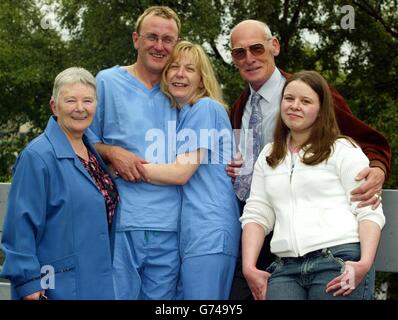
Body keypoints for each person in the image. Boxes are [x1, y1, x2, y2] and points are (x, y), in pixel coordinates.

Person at [227, 20, 392, 300]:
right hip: (266, 237)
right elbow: (255, 197)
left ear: (274, 46)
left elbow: (369, 143)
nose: (249, 58)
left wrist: (376, 169)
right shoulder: (240, 107)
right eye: (239, 52)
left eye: (256, 48)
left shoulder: (311, 92)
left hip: (329, 248)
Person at [88, 6, 182, 299]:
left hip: (172, 226)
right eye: (151, 37)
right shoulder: (107, 81)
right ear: (135, 40)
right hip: (121, 222)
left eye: (168, 39)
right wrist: (112, 151)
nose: (159, 45)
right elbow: (81, 143)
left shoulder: (182, 90)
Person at [0, 67, 118, 300]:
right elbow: (19, 226)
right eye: (70, 100)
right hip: (57, 287)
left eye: (87, 100)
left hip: (96, 281)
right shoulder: (38, 156)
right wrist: (28, 282)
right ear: (54, 106)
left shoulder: (91, 154)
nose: (80, 108)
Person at [141, 41, 240, 299]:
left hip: (208, 230)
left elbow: (180, 173)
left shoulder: (204, 108)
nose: (180, 74)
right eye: (173, 67)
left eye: (189, 69)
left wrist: (126, 168)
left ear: (202, 79)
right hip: (194, 233)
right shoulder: (182, 115)